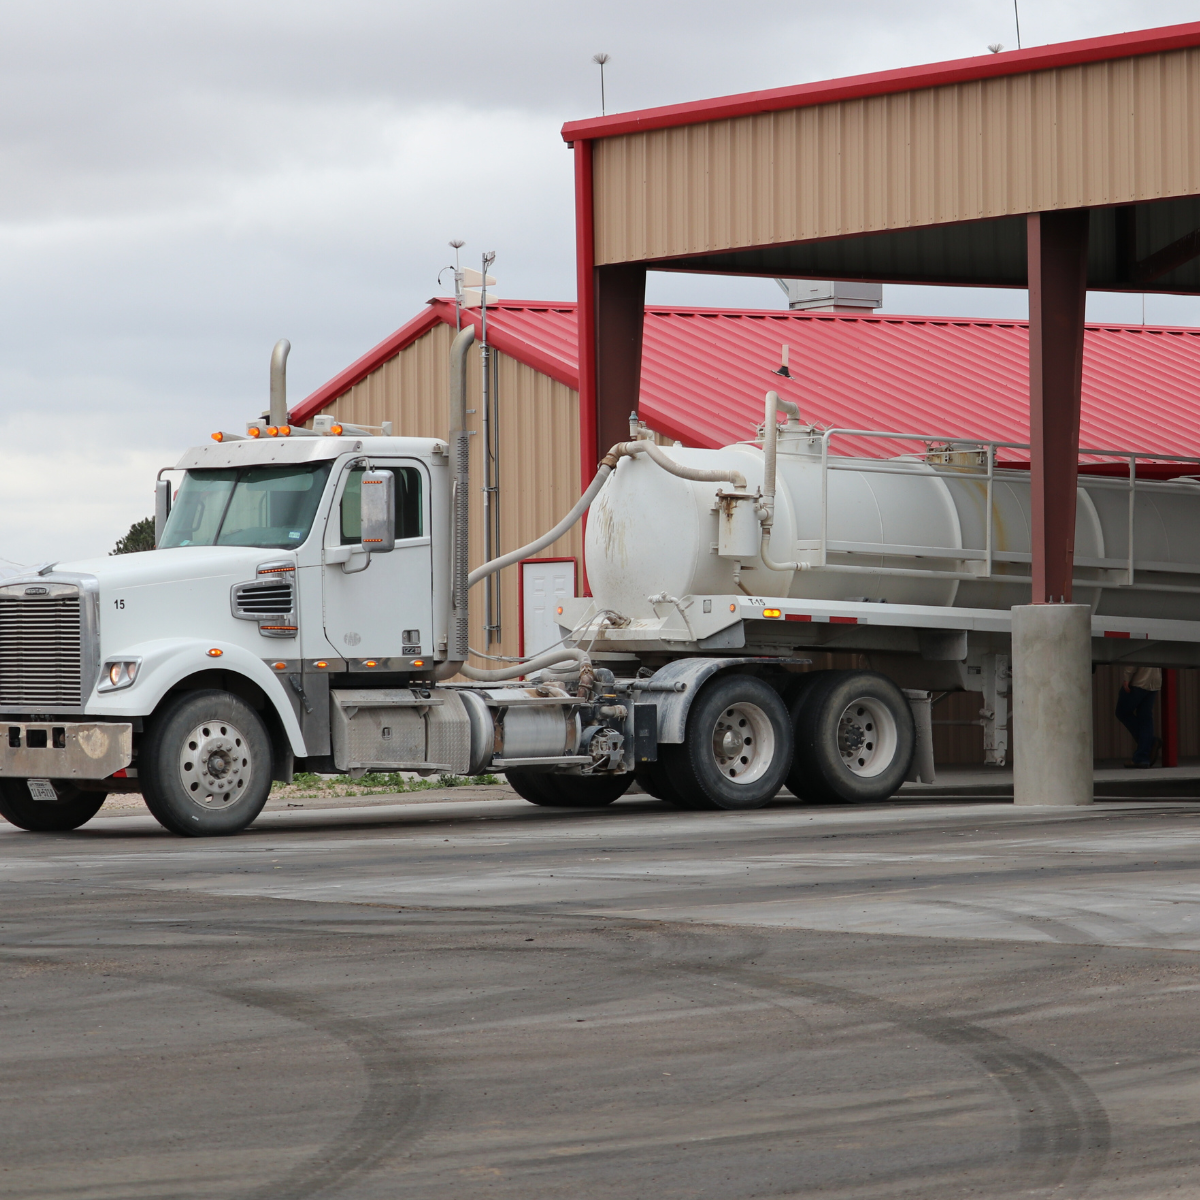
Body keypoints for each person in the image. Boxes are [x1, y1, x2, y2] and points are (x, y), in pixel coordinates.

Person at [1116, 666, 1162, 768]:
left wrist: (1127, 677)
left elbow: (1134, 659)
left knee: (1122, 712)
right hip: (1155, 681)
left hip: (1139, 680)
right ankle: (1143, 756)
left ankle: (1148, 745)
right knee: (1145, 717)